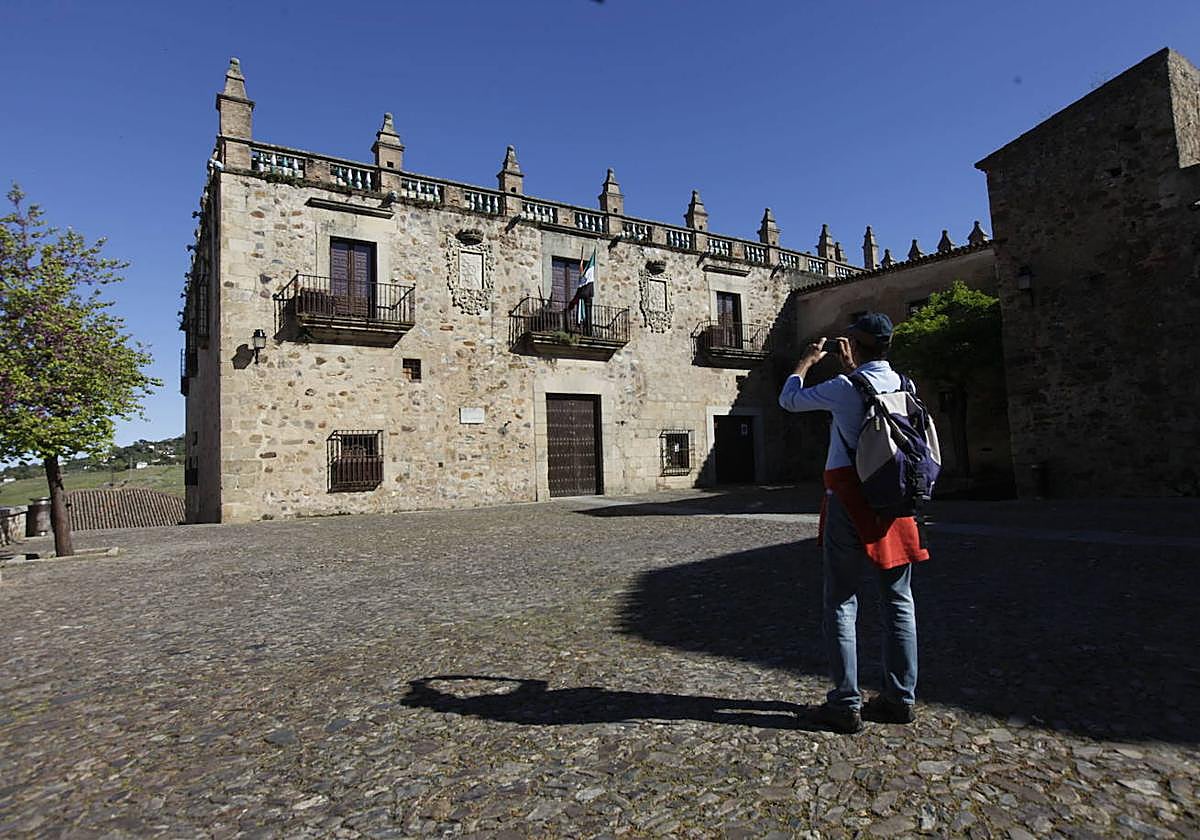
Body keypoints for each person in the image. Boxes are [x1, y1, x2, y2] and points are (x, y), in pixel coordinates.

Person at [778, 312, 929, 734]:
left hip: (849, 494)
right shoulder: (904, 384)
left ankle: (845, 702)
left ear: (856, 347)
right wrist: (853, 368)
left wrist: (805, 363)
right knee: (899, 599)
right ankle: (901, 697)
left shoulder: (846, 386)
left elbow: (788, 400)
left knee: (842, 600)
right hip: (896, 496)